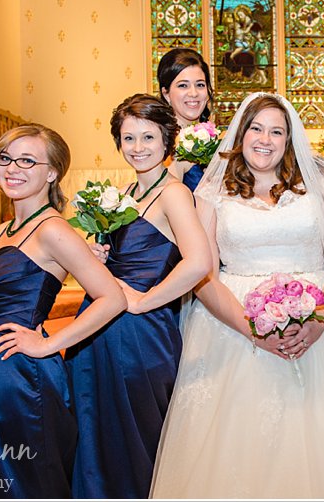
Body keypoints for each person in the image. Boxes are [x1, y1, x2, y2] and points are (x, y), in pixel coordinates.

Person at [150, 92, 324, 498]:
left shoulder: (320, 185)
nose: (265, 139)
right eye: (256, 128)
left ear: (290, 140)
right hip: (232, 328)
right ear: (240, 133)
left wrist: (318, 324)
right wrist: (252, 330)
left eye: (277, 131)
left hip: (320, 314)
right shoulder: (212, 193)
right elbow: (203, 275)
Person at [0, 124, 126, 498]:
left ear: (52, 172)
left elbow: (112, 298)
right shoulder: (3, 229)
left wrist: (49, 344)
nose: (12, 168)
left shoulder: (54, 229)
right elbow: (0, 300)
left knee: (17, 477)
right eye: (5, 158)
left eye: (27, 160)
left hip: (16, 373)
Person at [64, 95, 211, 498]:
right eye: (128, 138)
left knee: (141, 435)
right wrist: (97, 254)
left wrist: (145, 301)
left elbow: (199, 263)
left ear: (168, 139)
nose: (138, 147)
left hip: (142, 332)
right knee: (96, 430)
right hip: (97, 326)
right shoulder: (123, 192)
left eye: (148, 136)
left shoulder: (174, 194)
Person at [157, 48, 214, 192]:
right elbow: (157, 198)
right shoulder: (159, 141)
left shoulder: (217, 139)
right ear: (166, 94)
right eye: (183, 85)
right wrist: (179, 165)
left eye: (200, 85)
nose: (193, 93)